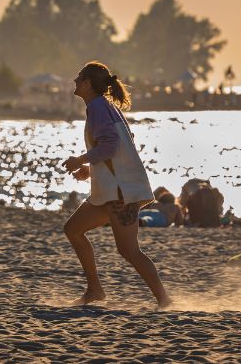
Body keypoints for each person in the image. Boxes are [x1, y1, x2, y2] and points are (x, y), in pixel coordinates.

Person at [62, 61, 171, 308]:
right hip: (111, 190)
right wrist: (90, 170)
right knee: (73, 230)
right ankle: (94, 290)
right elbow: (121, 145)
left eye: (79, 77)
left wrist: (79, 159)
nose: (75, 81)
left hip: (122, 193)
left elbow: (110, 146)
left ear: (88, 84)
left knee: (129, 250)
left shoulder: (99, 108)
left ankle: (164, 300)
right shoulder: (103, 106)